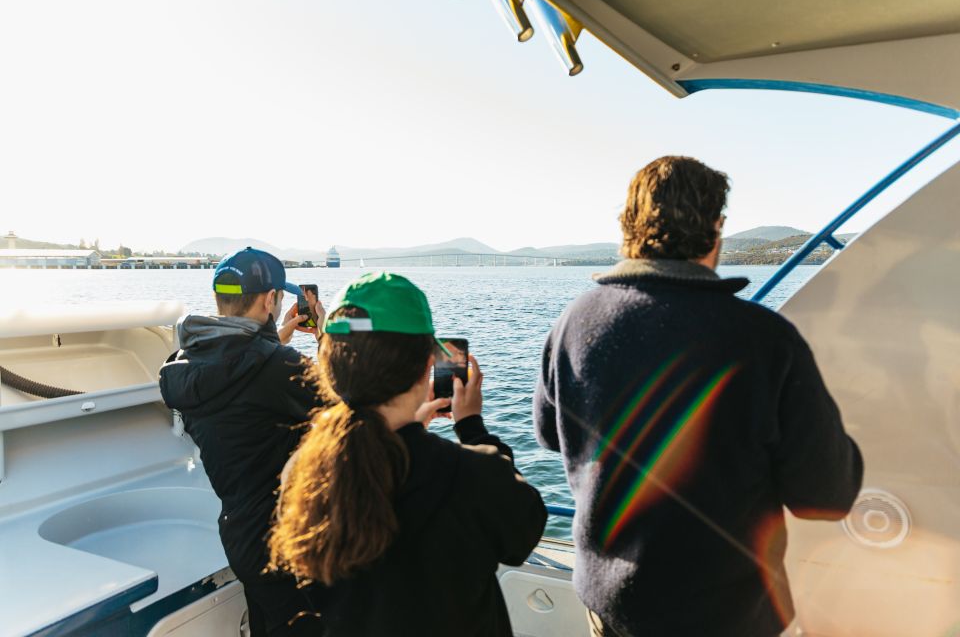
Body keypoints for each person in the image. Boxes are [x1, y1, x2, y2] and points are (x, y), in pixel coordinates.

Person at [534, 156, 864, 637]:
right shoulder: (764, 339)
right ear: (716, 229)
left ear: (628, 226)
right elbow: (827, 498)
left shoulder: (572, 324)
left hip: (612, 608)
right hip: (729, 615)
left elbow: (549, 435)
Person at [269, 272, 547, 636]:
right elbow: (522, 533)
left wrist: (413, 427)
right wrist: (472, 427)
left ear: (333, 366)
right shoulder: (470, 475)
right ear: (425, 364)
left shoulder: (304, 472)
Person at [159, 247, 325, 636]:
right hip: (288, 542)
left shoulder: (181, 365)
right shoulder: (280, 368)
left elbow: (237, 363)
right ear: (270, 299)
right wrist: (320, 331)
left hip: (241, 535)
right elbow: (345, 406)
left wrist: (277, 334)